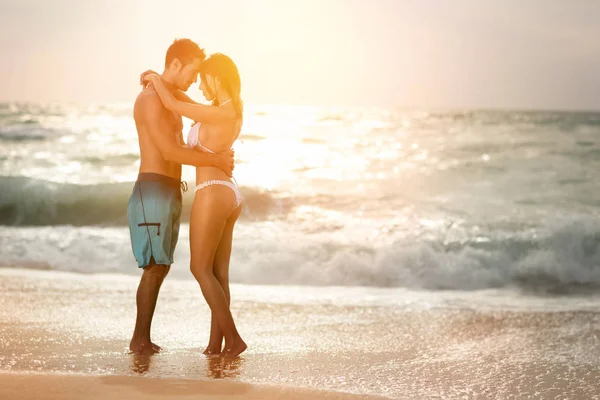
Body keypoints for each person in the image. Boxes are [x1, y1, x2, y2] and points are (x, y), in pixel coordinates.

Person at [128, 39, 235, 355]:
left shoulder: (168, 95)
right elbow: (168, 150)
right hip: (153, 189)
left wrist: (157, 78)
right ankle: (139, 339)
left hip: (171, 189)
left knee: (161, 264)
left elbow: (198, 111)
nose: (194, 79)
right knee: (154, 265)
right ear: (176, 64)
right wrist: (215, 160)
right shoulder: (149, 100)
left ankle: (143, 338)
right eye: (192, 71)